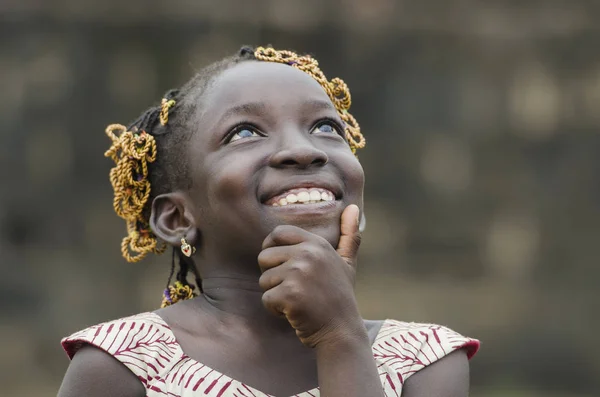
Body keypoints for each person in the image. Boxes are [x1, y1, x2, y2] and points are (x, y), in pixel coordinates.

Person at [57, 46, 479, 397]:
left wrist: (339, 337)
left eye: (325, 126)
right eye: (244, 133)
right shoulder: (122, 366)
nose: (303, 150)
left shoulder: (421, 360)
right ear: (176, 217)